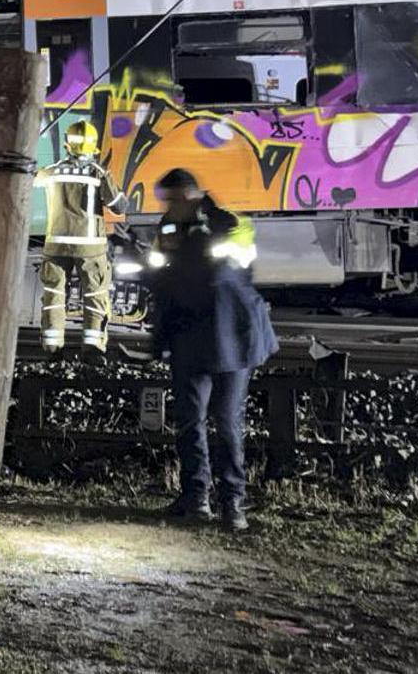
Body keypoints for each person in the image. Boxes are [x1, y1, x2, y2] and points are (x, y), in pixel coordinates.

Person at [149, 168, 276, 531]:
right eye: (165, 201)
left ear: (190, 195)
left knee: (226, 421)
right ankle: (196, 497)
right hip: (192, 337)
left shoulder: (230, 223)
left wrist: (187, 252)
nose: (168, 207)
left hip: (230, 336)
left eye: (172, 199)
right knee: (190, 421)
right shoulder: (169, 228)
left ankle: (233, 503)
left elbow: (222, 273)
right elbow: (162, 279)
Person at [37, 120, 127, 356]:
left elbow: (31, 182)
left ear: (67, 144)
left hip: (55, 245)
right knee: (94, 293)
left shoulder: (53, 170)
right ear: (92, 146)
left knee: (54, 294)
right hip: (90, 248)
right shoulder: (97, 173)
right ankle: (92, 347)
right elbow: (118, 206)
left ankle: (52, 346)